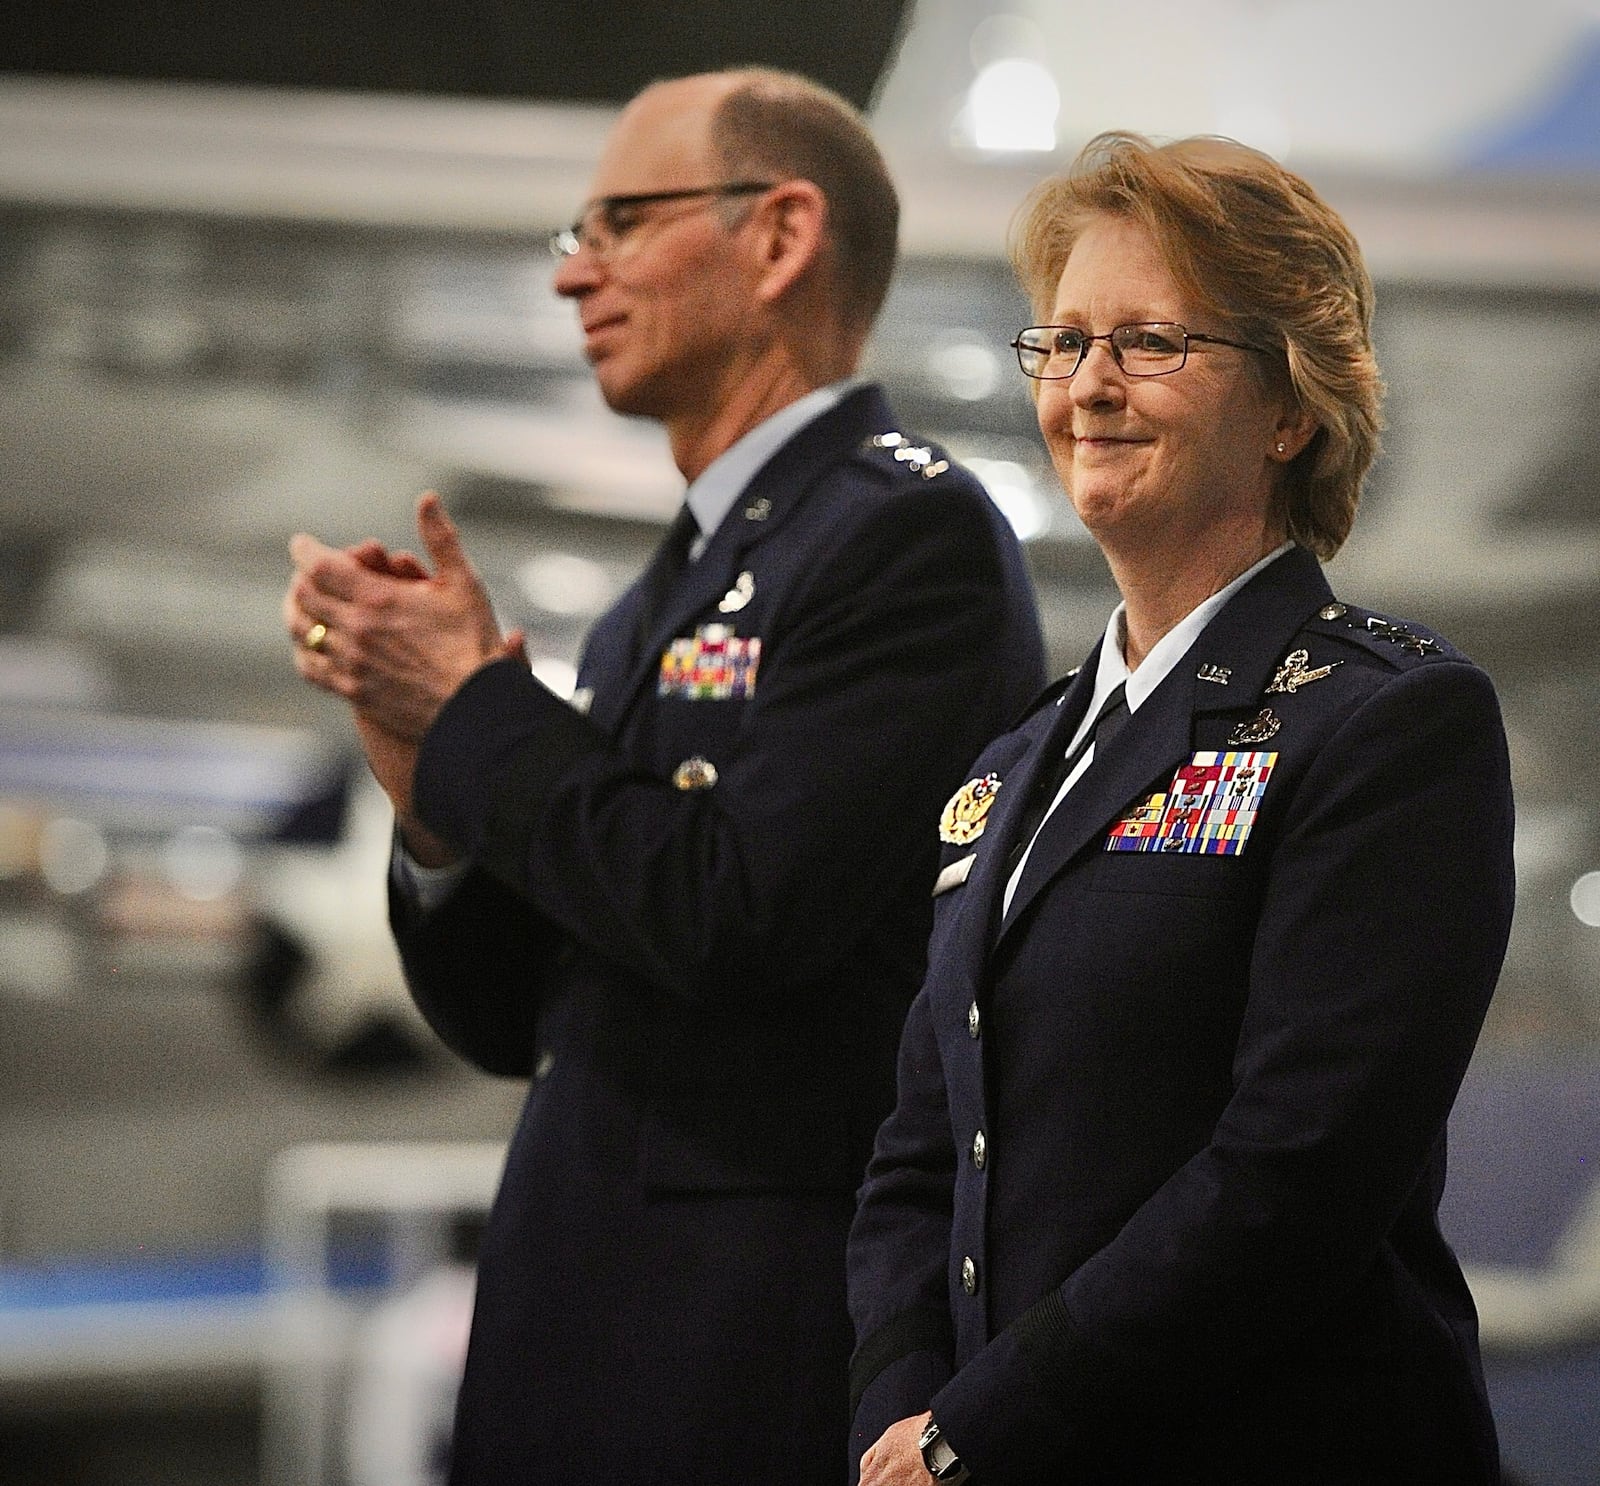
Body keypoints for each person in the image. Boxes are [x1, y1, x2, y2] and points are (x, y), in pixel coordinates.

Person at [283, 67, 1045, 1485]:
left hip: (737, 1344)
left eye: (623, 220)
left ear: (779, 235)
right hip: (589, 1321)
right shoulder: (676, 585)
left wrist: (482, 711)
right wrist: (431, 784)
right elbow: (524, 1012)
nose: (577, 271)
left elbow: (730, 911)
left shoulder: (905, 536)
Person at [847, 132, 1516, 1486]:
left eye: (1149, 342)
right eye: (1065, 341)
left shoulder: (1389, 722)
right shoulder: (1015, 762)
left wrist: (982, 1427)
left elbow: (1296, 1175)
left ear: (1291, 408)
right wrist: (899, 1411)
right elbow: (919, 1157)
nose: (1087, 385)